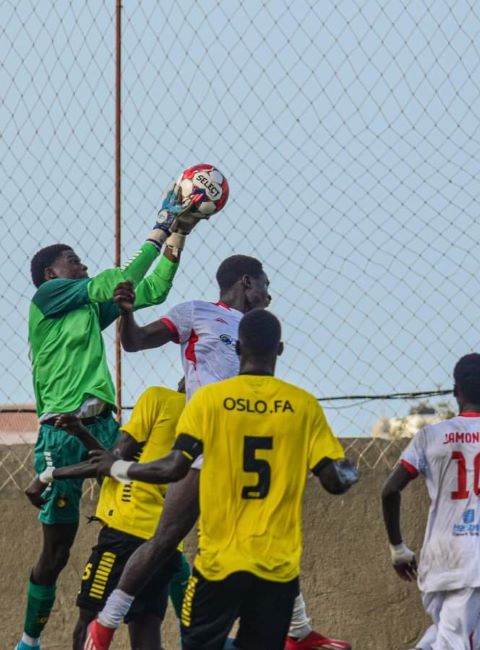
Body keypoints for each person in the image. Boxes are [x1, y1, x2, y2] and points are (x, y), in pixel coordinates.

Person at [85, 256, 352, 650]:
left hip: (242, 441)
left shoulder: (255, 332)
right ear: (247, 281)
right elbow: (136, 342)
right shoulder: (197, 312)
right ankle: (105, 622)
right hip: (204, 440)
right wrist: (126, 314)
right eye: (265, 283)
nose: (270, 294)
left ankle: (298, 632)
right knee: (166, 537)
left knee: (268, 534)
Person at [16, 183, 203, 650]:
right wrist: (160, 225)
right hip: (60, 430)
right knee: (56, 550)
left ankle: (196, 636)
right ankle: (28, 641)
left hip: (102, 426)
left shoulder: (83, 309)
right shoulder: (49, 299)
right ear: (50, 273)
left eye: (79, 261)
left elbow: (151, 287)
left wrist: (179, 234)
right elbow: (110, 279)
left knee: (150, 520)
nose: (80, 265)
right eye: (71, 260)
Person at [26, 385, 193, 650]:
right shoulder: (210, 420)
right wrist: (81, 432)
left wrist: (48, 475)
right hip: (165, 541)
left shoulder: (160, 398)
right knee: (147, 632)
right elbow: (112, 464)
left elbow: (112, 462)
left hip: (124, 535)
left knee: (88, 625)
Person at [381, 353, 480, 650]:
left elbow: (389, 491)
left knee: (441, 639)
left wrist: (398, 549)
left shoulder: (429, 436)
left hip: (437, 561)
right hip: (476, 565)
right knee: (454, 645)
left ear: (455, 389)